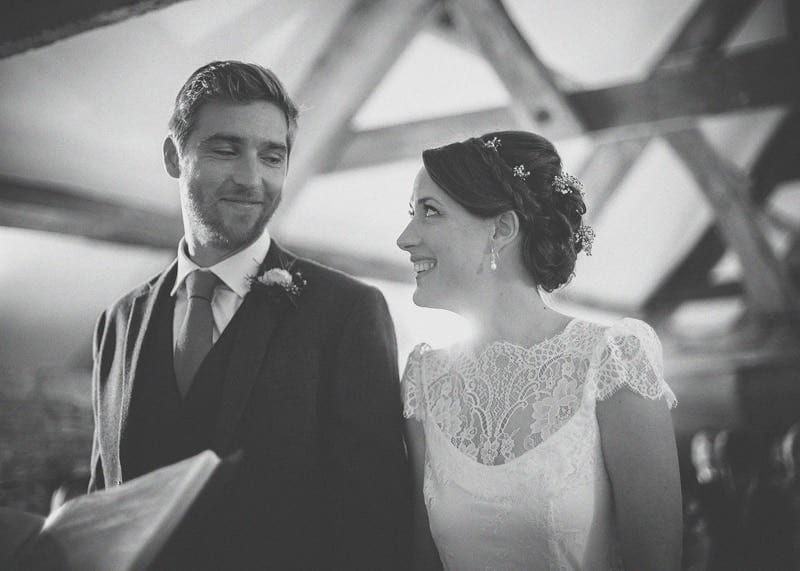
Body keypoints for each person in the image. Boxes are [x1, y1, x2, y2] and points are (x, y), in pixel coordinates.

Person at [89, 61, 410, 570]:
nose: (251, 178)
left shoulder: (346, 311)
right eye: (225, 148)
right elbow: (102, 505)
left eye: (271, 155)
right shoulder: (119, 322)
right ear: (175, 156)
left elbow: (376, 522)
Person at [396, 131, 682, 570]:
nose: (404, 238)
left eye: (429, 212)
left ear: (501, 229)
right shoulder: (423, 379)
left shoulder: (611, 360)